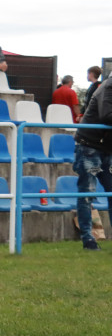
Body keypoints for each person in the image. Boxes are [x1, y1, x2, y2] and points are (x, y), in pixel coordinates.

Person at [72, 74, 112, 250]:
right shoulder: (108, 87)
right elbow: (107, 116)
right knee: (87, 194)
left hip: (106, 147)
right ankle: (88, 239)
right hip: (89, 145)